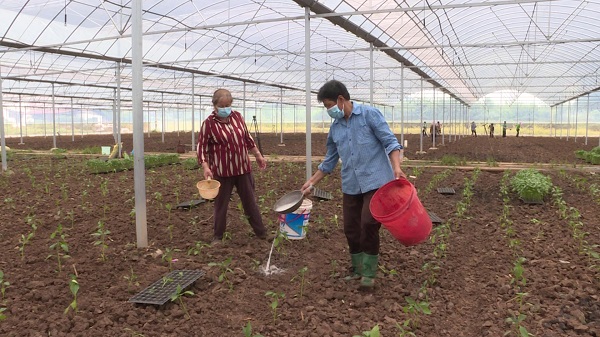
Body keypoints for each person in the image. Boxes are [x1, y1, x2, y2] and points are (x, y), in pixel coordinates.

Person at [300, 80, 405, 290]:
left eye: (328, 105)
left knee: (368, 223)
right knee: (350, 228)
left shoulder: (369, 115)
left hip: (376, 181)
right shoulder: (336, 129)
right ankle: (357, 268)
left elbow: (390, 142)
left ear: (341, 99)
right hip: (351, 184)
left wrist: (396, 168)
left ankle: (369, 273)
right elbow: (330, 160)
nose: (328, 110)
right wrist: (311, 182)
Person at [197, 89, 269, 244]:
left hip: (243, 168)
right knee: (220, 205)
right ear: (215, 105)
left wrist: (257, 155)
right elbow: (201, 147)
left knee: (250, 202)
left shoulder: (237, 117)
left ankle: (261, 232)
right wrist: (205, 166)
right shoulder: (208, 124)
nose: (225, 109)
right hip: (222, 172)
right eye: (222, 106)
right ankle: (218, 236)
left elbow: (247, 138)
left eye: (228, 105)